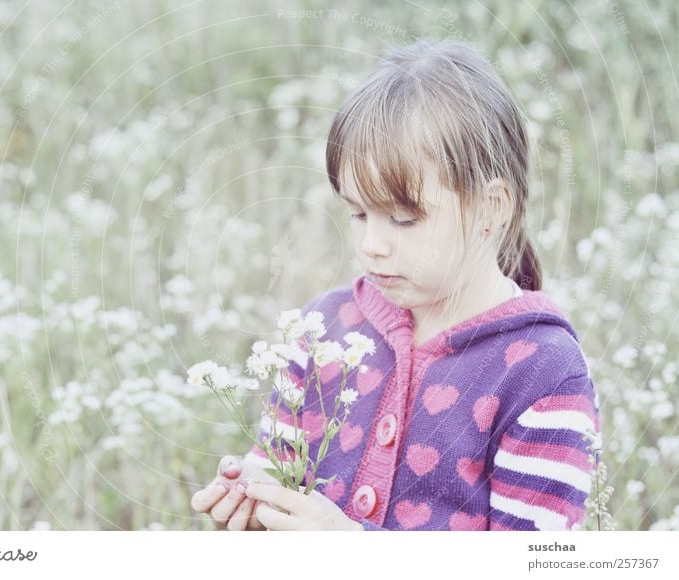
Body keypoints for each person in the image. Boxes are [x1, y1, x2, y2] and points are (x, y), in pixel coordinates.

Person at [191, 39, 602, 531]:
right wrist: (256, 496)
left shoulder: (540, 370)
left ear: (493, 207)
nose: (371, 245)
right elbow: (281, 464)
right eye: (359, 214)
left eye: (403, 218)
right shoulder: (324, 329)